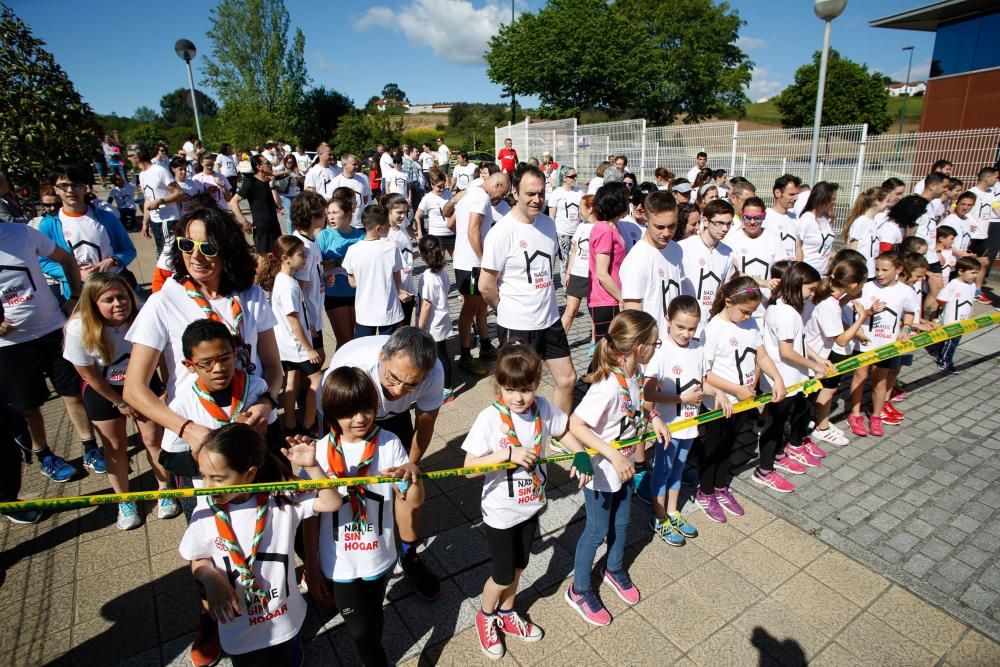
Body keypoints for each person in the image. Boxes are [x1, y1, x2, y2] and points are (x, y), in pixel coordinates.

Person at [463, 344, 592, 657]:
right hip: (500, 512)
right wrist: (507, 455)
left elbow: (562, 431)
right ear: (499, 384)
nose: (518, 397)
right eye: (510, 389)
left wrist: (580, 452)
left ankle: (507, 613)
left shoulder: (544, 408)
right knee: (503, 573)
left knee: (520, 565)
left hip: (531, 504)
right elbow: (468, 468)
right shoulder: (490, 418)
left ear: (537, 383)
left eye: (526, 389)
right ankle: (486, 615)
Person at [124, 206, 283, 455]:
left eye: (207, 248)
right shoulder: (163, 302)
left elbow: (274, 367)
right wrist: (186, 429)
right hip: (200, 434)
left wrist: (267, 402)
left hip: (254, 427)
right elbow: (134, 389)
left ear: (228, 251)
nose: (196, 256)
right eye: (187, 245)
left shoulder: (250, 295)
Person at [180, 423, 343, 666]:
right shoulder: (205, 510)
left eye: (218, 478)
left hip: (285, 617)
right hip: (238, 628)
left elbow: (331, 503)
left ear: (250, 474)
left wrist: (313, 466)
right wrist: (209, 577)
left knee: (286, 658)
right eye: (203, 476)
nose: (207, 486)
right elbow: (197, 557)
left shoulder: (280, 501)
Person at [315, 328, 444, 602]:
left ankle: (409, 556)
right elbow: (331, 421)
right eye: (393, 378)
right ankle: (325, 559)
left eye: (411, 385)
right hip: (350, 406)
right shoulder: (354, 365)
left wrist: (411, 465)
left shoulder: (433, 372)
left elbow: (425, 423)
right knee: (334, 487)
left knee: (405, 487)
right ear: (382, 356)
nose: (398, 390)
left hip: (393, 416)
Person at [304, 368, 421, 666]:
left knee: (374, 614)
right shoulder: (315, 454)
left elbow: (414, 501)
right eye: (349, 411)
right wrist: (312, 567)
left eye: (366, 408)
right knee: (361, 632)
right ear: (331, 413)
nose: (360, 418)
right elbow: (310, 517)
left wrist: (412, 477)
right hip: (338, 562)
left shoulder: (389, 442)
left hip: (379, 555)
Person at [566, 310, 668, 626]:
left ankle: (614, 568)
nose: (656, 347)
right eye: (655, 342)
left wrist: (654, 418)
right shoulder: (608, 385)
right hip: (602, 470)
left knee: (622, 523)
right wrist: (613, 455)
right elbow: (576, 424)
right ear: (638, 346)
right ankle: (579, 589)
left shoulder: (635, 376)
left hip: (621, 469)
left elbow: (637, 410)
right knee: (596, 530)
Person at [62, 273, 178, 529]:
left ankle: (165, 489)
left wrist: (166, 389)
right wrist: (119, 402)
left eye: (122, 296)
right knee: (115, 447)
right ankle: (125, 501)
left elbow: (163, 354)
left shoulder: (143, 313)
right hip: (104, 390)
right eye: (109, 299)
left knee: (153, 439)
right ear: (94, 304)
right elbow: (87, 374)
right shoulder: (78, 328)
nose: (118, 303)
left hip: (145, 383)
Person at [479, 165, 577, 415]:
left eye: (541, 194)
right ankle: (513, 439)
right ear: (515, 191)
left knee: (567, 380)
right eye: (530, 193)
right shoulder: (501, 232)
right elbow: (486, 285)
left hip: (550, 320)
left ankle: (557, 434)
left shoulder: (547, 224)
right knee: (517, 389)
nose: (537, 200)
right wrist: (506, 309)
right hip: (517, 324)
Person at [0, 220, 90, 483]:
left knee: (73, 392)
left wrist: (74, 297)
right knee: (28, 406)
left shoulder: (21, 232)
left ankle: (90, 446)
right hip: (11, 344)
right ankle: (44, 455)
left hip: (53, 328)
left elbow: (66, 259)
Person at [701, 278, 785, 502]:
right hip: (719, 404)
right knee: (714, 448)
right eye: (745, 311)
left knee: (730, 444)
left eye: (752, 312)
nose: (748, 316)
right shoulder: (714, 329)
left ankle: (720, 486)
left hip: (742, 401)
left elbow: (762, 355)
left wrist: (777, 379)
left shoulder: (750, 324)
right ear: (728, 301)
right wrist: (736, 390)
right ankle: (705, 491)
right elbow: (705, 374)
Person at [756, 263, 833, 493]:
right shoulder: (786, 313)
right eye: (810, 289)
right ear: (797, 285)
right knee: (774, 425)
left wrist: (818, 359)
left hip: (790, 379)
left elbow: (799, 342)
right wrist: (814, 366)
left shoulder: (783, 307)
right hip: (783, 380)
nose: (811, 295)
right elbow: (787, 352)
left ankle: (779, 454)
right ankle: (764, 469)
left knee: (780, 423)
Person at [643, 296, 706, 546]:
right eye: (680, 327)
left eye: (692, 328)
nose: (686, 333)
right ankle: (658, 517)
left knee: (678, 471)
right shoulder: (661, 352)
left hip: (690, 425)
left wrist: (717, 392)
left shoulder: (698, 348)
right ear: (668, 321)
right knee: (662, 471)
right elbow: (647, 393)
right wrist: (680, 397)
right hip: (669, 428)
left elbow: (704, 379)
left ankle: (672, 512)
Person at [846, 251, 917, 437]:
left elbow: (909, 312)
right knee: (860, 377)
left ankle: (876, 416)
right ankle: (855, 414)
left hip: (887, 344)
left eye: (885, 270)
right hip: (864, 342)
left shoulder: (906, 291)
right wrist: (869, 311)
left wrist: (906, 328)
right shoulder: (867, 288)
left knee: (881, 381)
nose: (879, 273)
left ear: (899, 270)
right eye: (877, 269)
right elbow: (856, 311)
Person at [258, 236, 323, 436]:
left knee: (291, 381)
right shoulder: (287, 285)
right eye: (301, 255)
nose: (305, 258)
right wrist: (309, 347)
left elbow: (296, 315)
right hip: (296, 346)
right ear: (286, 258)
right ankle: (309, 423)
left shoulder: (284, 280)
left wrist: (309, 325)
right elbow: (293, 320)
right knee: (318, 380)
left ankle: (290, 423)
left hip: (286, 344)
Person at [38, 165, 136, 291]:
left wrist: (112, 260)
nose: (70, 190)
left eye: (75, 185)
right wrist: (77, 274)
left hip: (113, 287)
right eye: (63, 186)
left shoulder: (106, 218)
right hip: (78, 291)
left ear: (84, 188)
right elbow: (44, 261)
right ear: (56, 190)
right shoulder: (48, 224)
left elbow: (129, 250)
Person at [805, 258, 869, 447]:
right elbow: (840, 339)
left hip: (811, 351)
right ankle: (820, 428)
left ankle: (813, 423)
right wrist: (861, 318)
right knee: (823, 391)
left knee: (812, 394)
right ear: (854, 284)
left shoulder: (824, 294)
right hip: (813, 355)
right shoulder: (830, 305)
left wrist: (847, 299)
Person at [450, 173, 510, 374]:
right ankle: (465, 355)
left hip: (468, 261)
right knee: (470, 309)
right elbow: (472, 231)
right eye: (502, 193)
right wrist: (485, 262)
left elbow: (452, 224)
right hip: (472, 264)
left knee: (481, 307)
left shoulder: (470, 193)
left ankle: (485, 346)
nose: (500, 198)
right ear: (497, 184)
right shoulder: (481, 197)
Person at [620, 190, 683, 339]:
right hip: (651, 346)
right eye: (660, 227)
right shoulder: (636, 260)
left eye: (672, 226)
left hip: (675, 344)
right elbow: (632, 316)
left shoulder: (677, 249)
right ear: (646, 218)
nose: (667, 233)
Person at [343, 205, 409, 337]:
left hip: (364, 313)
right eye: (388, 225)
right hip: (389, 312)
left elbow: (352, 282)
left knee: (364, 352)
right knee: (390, 351)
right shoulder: (391, 248)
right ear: (379, 228)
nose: (390, 228)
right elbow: (397, 276)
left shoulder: (352, 250)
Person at [678, 199, 735, 335]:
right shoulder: (683, 247)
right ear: (705, 221)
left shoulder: (728, 252)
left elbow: (724, 288)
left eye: (728, 224)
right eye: (719, 223)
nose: (725, 229)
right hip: (685, 323)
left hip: (710, 325)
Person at [724, 196, 781, 324]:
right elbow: (735, 273)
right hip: (740, 308)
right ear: (741, 216)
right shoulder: (732, 239)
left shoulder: (773, 238)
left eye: (757, 217)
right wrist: (762, 282)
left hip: (765, 309)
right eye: (747, 217)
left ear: (764, 216)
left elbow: (781, 271)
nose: (752, 222)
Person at [316, 193, 364, 347]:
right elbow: (316, 264)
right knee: (345, 341)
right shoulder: (324, 236)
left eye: (335, 213)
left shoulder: (360, 236)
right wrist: (333, 264)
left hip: (358, 294)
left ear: (348, 214)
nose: (331, 217)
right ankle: (340, 370)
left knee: (357, 340)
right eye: (328, 213)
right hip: (334, 293)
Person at [587, 182, 630, 345]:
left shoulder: (614, 227)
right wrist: (621, 298)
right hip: (606, 300)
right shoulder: (604, 230)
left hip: (611, 298)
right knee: (605, 353)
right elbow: (602, 273)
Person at [289, 191, 328, 366]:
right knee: (316, 360)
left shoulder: (311, 241)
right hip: (309, 316)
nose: (327, 215)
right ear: (313, 217)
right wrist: (306, 323)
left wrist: (323, 277)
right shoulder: (303, 249)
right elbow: (299, 288)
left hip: (314, 311)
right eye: (323, 212)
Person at [417, 236, 454, 402]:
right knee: (441, 352)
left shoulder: (428, 276)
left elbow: (426, 304)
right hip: (443, 316)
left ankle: (447, 388)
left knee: (439, 354)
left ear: (423, 255)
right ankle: (441, 384)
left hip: (433, 321)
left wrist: (420, 325)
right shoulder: (443, 271)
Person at [129, 144, 183, 257]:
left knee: (169, 255)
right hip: (155, 221)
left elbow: (179, 193)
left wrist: (160, 201)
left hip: (168, 220)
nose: (128, 159)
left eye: (129, 156)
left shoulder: (159, 171)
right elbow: (147, 201)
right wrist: (145, 223)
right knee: (161, 253)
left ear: (136, 156)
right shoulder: (142, 175)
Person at [561, 195, 596, 349]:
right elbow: (574, 251)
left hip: (593, 275)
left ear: (590, 208)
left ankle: (595, 342)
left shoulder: (601, 227)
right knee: (570, 310)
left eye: (581, 207)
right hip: (577, 273)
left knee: (594, 313)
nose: (579, 210)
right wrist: (568, 272)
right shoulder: (581, 226)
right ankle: (558, 342)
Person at [934, 256, 980, 373]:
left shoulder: (972, 285)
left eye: (977, 273)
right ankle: (945, 362)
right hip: (952, 319)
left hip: (963, 320)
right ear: (960, 271)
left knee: (951, 342)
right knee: (951, 342)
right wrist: (942, 313)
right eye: (972, 273)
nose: (975, 276)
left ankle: (941, 356)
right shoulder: (953, 284)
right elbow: (941, 299)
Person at [230, 155, 282, 254]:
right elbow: (233, 202)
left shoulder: (269, 182)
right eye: (267, 163)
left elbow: (279, 204)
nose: (271, 165)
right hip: (261, 229)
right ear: (259, 167)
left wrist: (273, 186)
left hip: (275, 226)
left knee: (277, 258)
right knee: (263, 261)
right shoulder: (250, 182)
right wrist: (244, 221)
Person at [844, 186, 891, 277]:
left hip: (870, 271)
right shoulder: (861, 222)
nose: (888, 204)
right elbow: (852, 248)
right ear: (877, 201)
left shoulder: (873, 222)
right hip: (860, 271)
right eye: (887, 201)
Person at [968, 166, 999, 301]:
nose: (996, 179)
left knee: (984, 262)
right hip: (971, 235)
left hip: (983, 235)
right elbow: (955, 208)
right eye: (994, 177)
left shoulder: (990, 193)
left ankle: (977, 291)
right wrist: (968, 223)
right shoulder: (972, 193)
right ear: (987, 178)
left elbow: (996, 208)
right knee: (968, 261)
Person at [548, 167, 583, 278]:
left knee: (576, 258)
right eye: (572, 176)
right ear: (564, 178)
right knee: (564, 259)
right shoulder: (557, 193)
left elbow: (583, 212)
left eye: (575, 175)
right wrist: (552, 233)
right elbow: (551, 215)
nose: (575, 178)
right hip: (562, 231)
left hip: (576, 231)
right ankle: (565, 286)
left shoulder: (580, 192)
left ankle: (572, 282)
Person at [798, 181, 839, 275]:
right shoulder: (806, 219)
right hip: (807, 273)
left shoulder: (826, 218)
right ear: (822, 199)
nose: (834, 202)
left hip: (822, 273)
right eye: (832, 199)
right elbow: (798, 246)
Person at [765, 174, 803, 262]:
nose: (796, 198)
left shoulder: (794, 218)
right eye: (791, 194)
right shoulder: (765, 216)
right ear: (777, 193)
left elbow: (798, 248)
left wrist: (797, 269)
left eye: (797, 194)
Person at [414, 167, 452, 251]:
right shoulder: (427, 198)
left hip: (451, 232)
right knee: (439, 262)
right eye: (439, 187)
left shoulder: (448, 194)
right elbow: (417, 216)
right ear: (432, 185)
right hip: (436, 234)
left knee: (457, 261)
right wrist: (419, 233)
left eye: (443, 186)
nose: (442, 189)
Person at [331, 153, 373, 229]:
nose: (357, 166)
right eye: (354, 164)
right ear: (344, 165)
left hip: (360, 223)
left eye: (357, 164)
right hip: (344, 224)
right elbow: (331, 203)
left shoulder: (361, 179)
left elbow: (365, 198)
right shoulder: (336, 182)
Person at [272, 154, 302, 233]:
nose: (290, 164)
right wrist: (285, 172)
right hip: (285, 195)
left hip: (295, 194)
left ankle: (295, 232)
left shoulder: (296, 169)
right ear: (285, 161)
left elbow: (301, 180)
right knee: (289, 216)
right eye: (288, 162)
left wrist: (299, 178)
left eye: (292, 162)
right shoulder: (281, 167)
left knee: (296, 215)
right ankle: (290, 234)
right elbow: (272, 174)